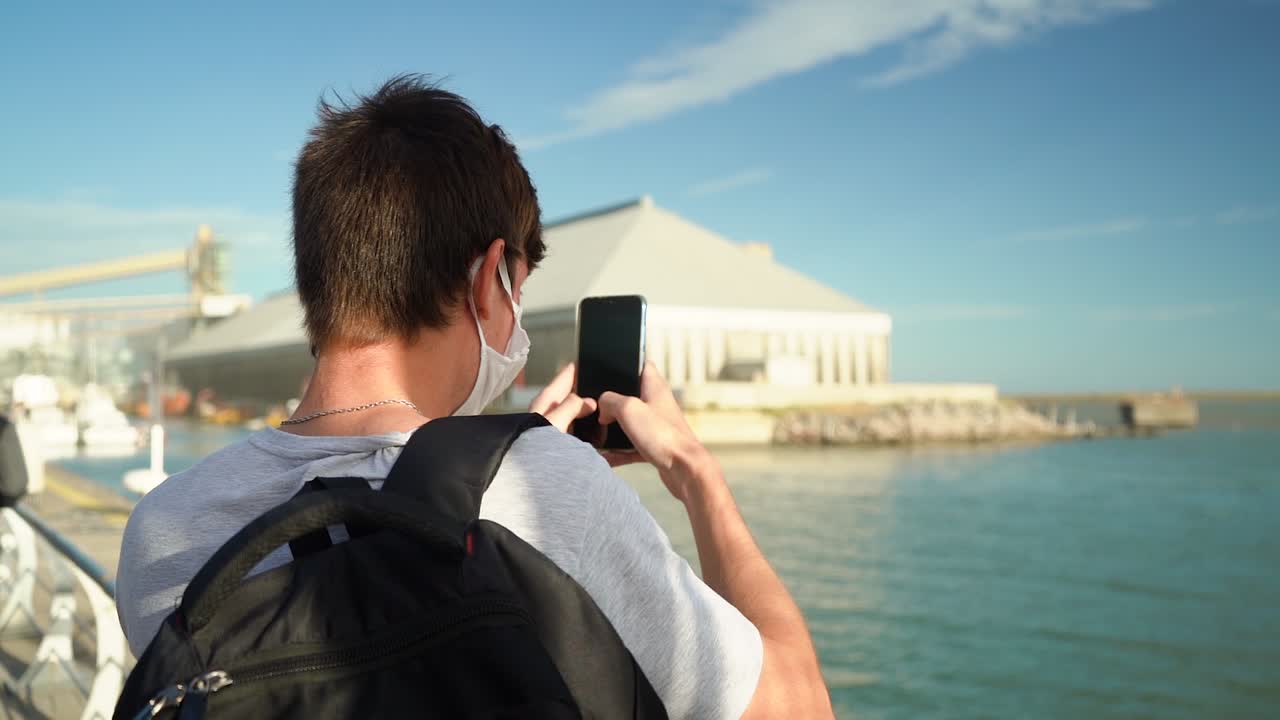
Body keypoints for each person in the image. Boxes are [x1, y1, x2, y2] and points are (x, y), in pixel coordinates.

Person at [115, 75, 833, 720]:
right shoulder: (556, 497)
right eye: (518, 291)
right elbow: (799, 708)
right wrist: (695, 474)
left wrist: (499, 452)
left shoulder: (161, 533)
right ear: (490, 278)